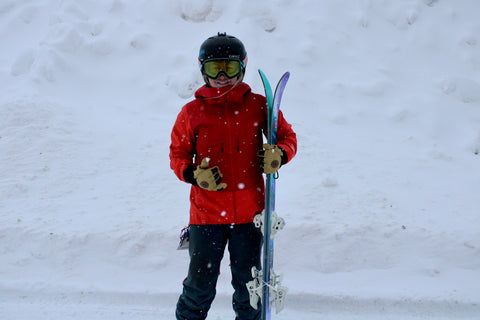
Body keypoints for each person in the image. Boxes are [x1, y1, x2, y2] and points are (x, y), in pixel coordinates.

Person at [169, 32, 297, 320]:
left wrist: (280, 154)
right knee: (200, 287)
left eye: (230, 67)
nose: (223, 76)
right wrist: (194, 175)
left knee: (249, 288)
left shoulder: (257, 106)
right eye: (215, 68)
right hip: (206, 216)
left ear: (243, 67)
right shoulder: (191, 113)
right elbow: (177, 156)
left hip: (250, 216)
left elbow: (288, 137)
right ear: (203, 70)